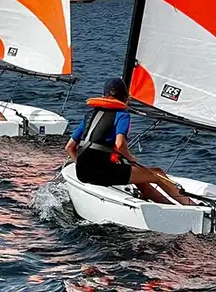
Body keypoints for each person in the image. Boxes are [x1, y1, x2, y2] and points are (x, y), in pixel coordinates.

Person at [65, 78, 193, 205]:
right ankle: (190, 205)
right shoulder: (122, 115)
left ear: (104, 96)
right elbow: (120, 144)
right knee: (157, 173)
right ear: (125, 97)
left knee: (140, 178)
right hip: (102, 173)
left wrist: (79, 164)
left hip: (82, 173)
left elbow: (69, 147)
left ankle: (167, 206)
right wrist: (130, 158)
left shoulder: (89, 115)